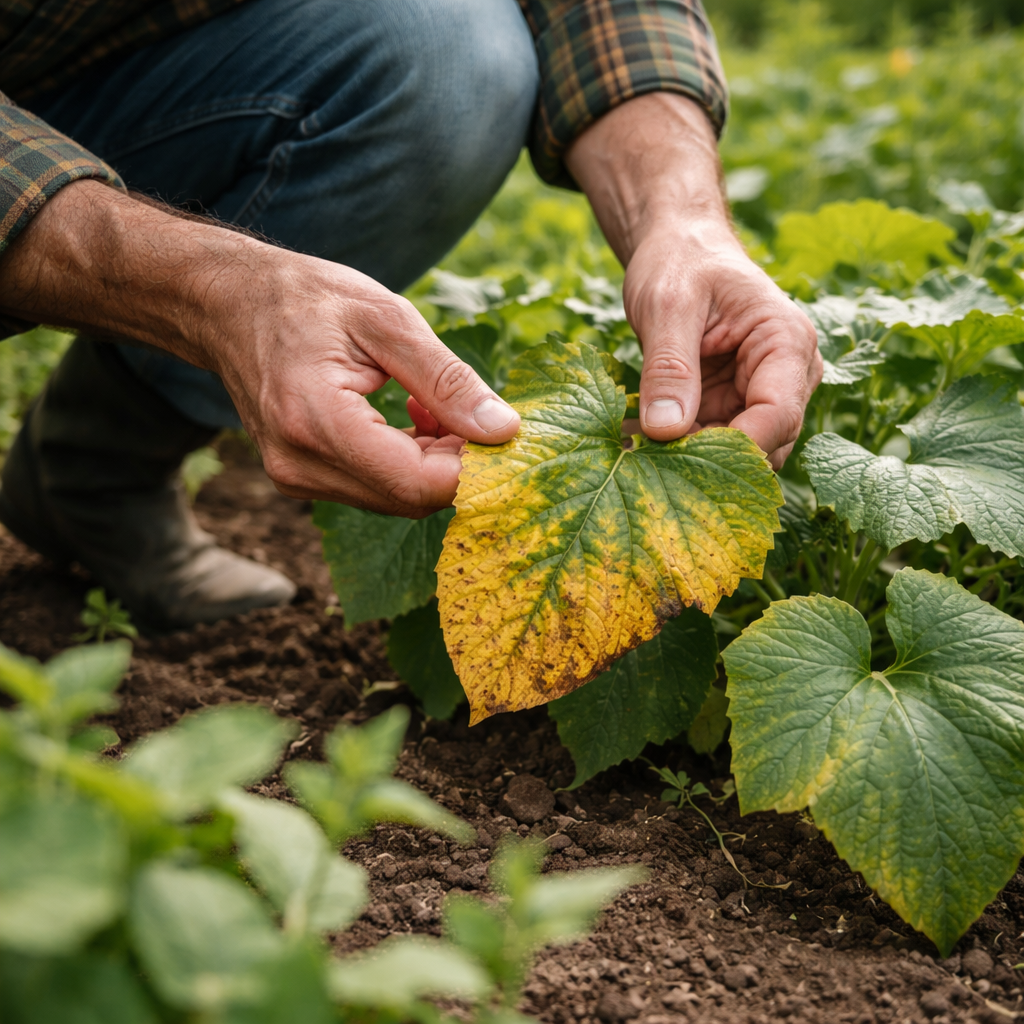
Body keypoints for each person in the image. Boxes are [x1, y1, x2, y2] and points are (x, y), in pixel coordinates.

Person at [0, 0, 822, 631]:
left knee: (448, 53)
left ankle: (93, 468)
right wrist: (211, 289)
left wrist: (681, 219)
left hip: (144, 63)